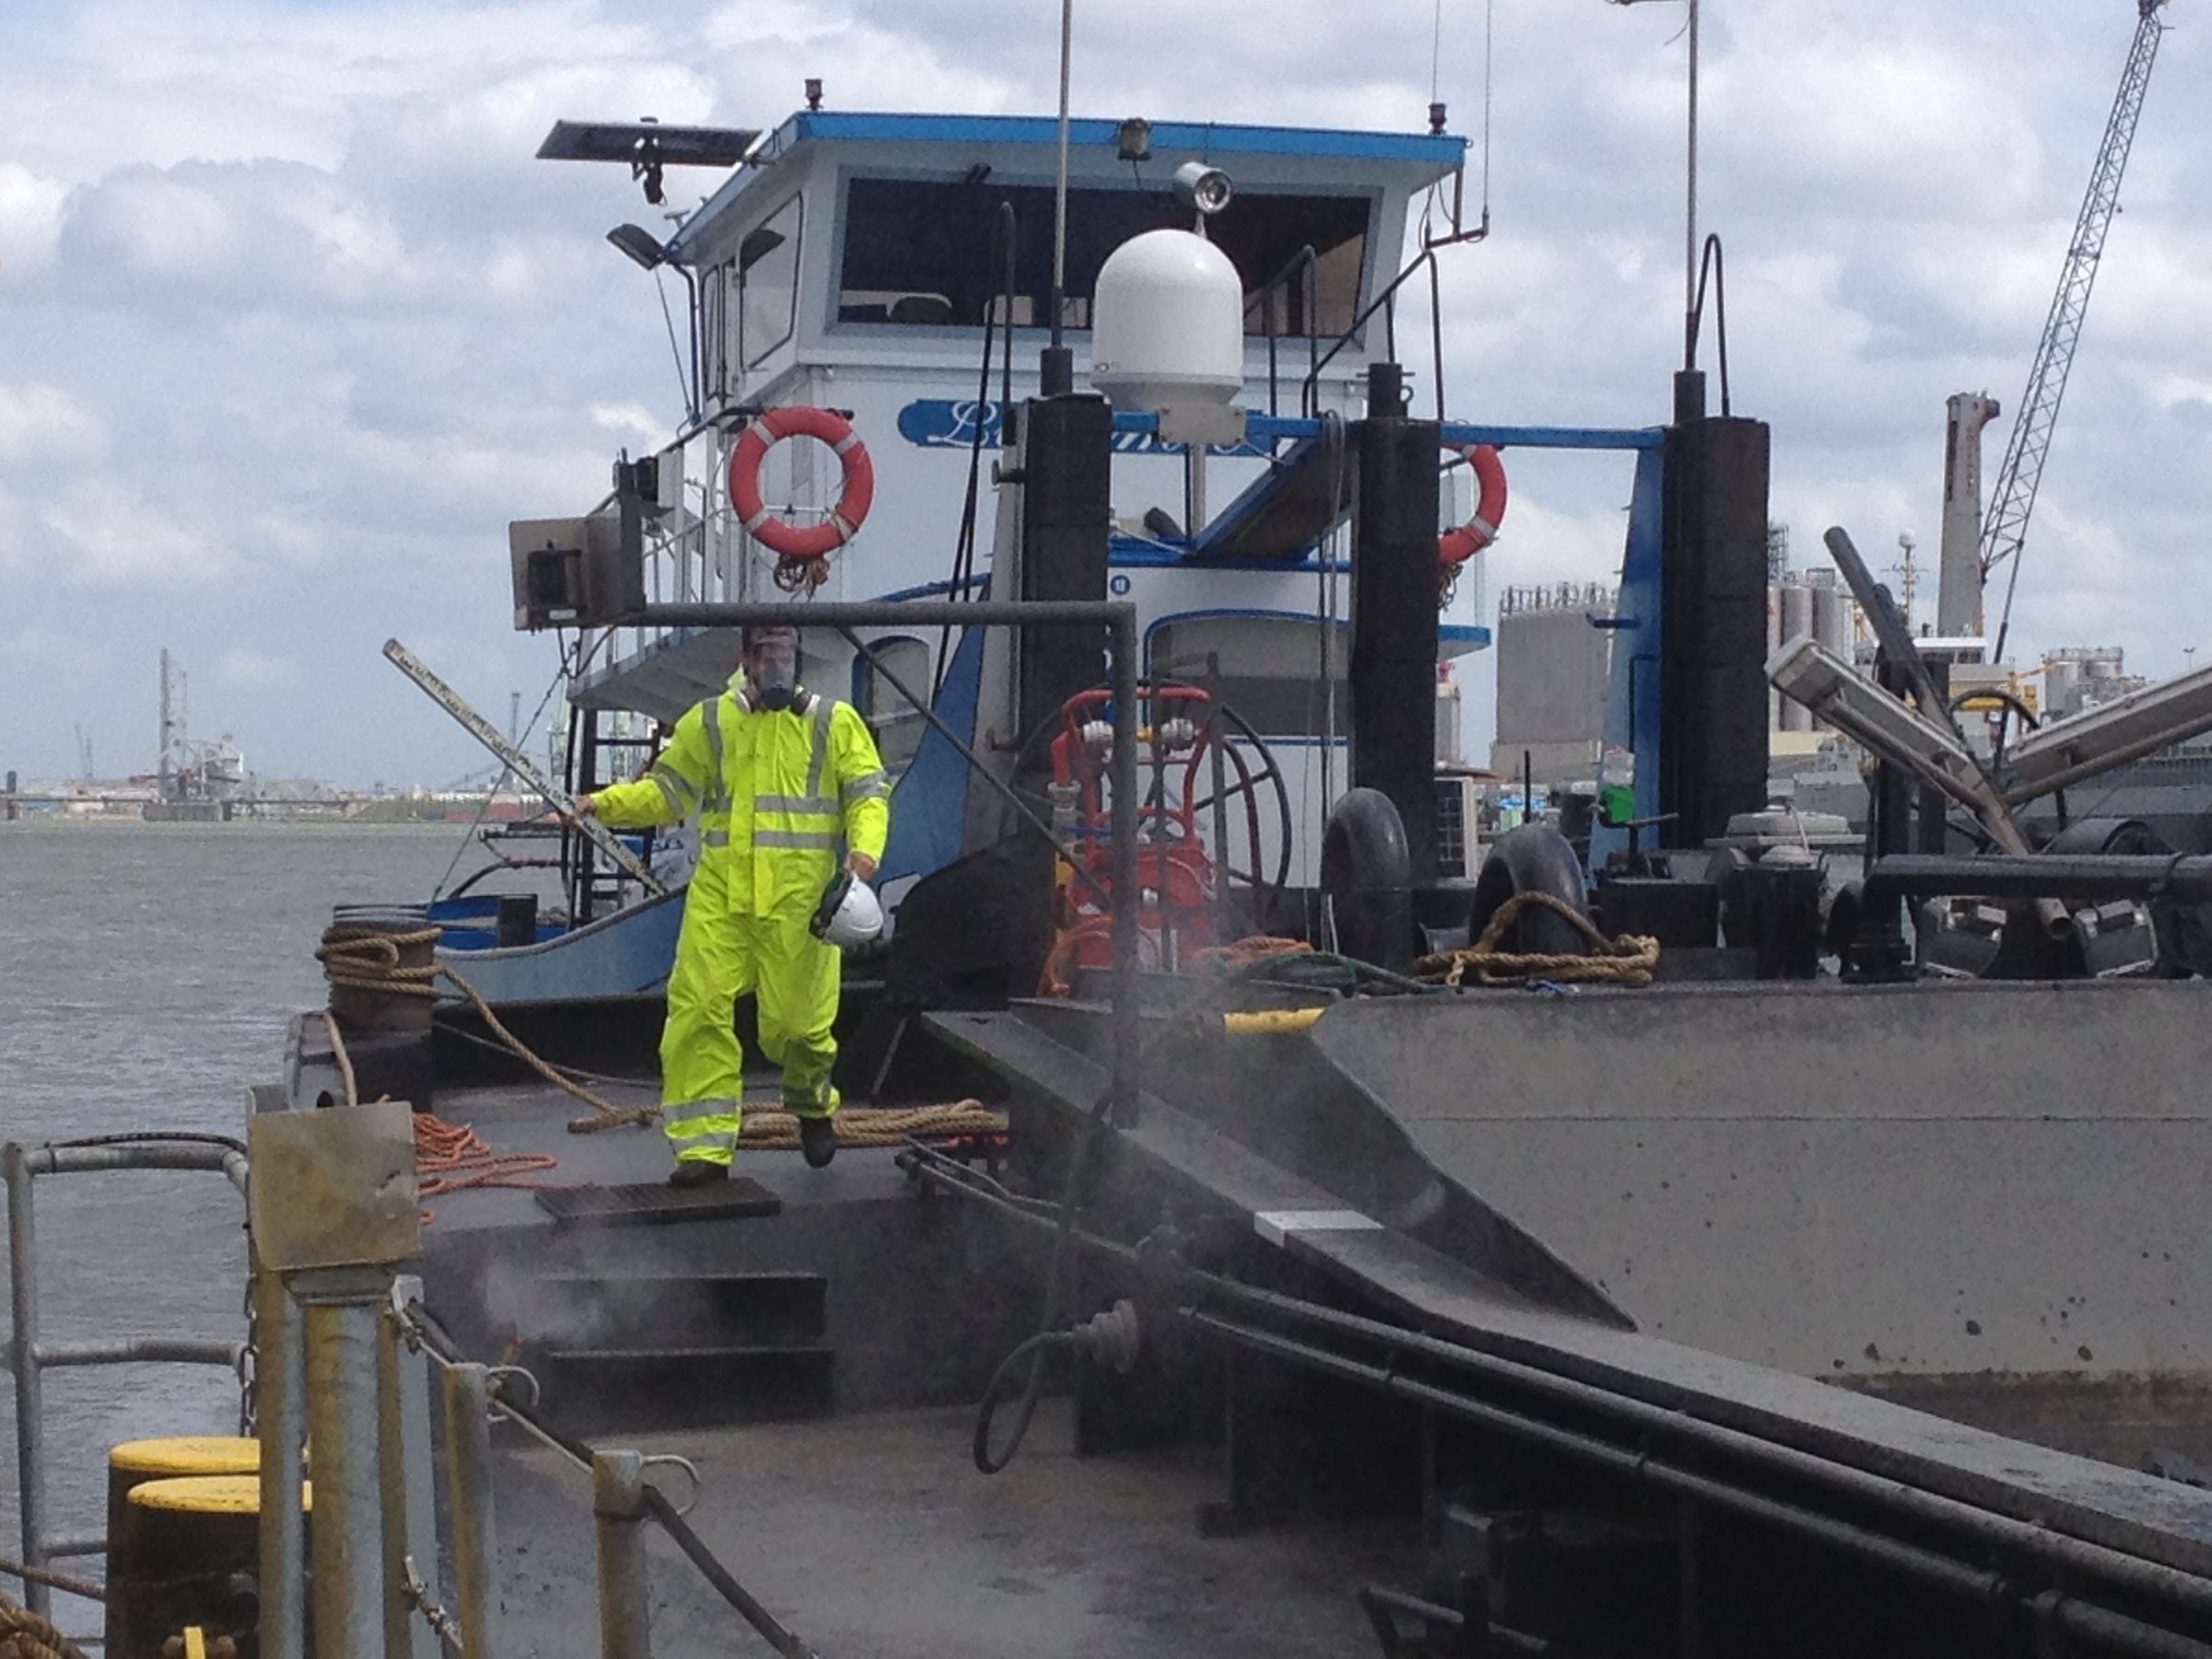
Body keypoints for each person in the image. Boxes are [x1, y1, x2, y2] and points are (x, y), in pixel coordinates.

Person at [576, 624, 889, 1184]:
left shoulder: (831, 723)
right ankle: (703, 1150)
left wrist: (863, 858)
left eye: (787, 655)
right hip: (721, 900)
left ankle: (814, 1106)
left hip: (800, 905)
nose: (778, 666)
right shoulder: (710, 723)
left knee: (799, 1030)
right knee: (697, 1013)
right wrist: (601, 805)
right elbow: (667, 794)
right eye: (767, 654)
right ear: (745, 658)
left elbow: (867, 794)